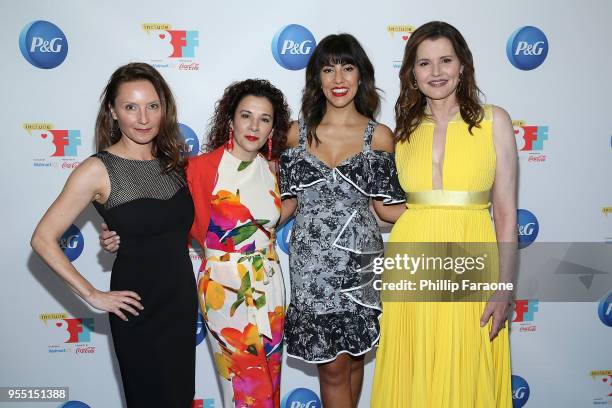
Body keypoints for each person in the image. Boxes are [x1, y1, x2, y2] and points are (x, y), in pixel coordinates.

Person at [102, 79, 292, 408]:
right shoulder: (199, 169)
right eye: (246, 115)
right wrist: (120, 233)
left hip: (271, 287)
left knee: (270, 382)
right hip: (225, 289)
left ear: (273, 128)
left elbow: (268, 219)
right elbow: (162, 214)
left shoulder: (273, 169)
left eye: (264, 119)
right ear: (230, 120)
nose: (254, 126)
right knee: (242, 386)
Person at [30, 62, 197, 407]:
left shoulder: (174, 161)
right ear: (112, 111)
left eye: (153, 106)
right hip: (137, 310)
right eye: (130, 107)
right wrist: (93, 294)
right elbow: (43, 238)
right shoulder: (98, 169)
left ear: (164, 108)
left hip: (180, 303)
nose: (143, 118)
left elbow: (161, 227)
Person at [371, 21, 517, 407]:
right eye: (424, 63)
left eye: (445, 60)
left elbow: (505, 214)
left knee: (468, 370)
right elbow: (391, 210)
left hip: (472, 264)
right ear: (412, 73)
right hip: (411, 263)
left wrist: (504, 288)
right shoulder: (400, 133)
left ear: (462, 66)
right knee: (413, 367)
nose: (436, 72)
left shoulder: (494, 121)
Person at [279, 33, 405, 408]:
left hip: (361, 263)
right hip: (312, 267)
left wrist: (449, 208)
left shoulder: (379, 137)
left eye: (347, 68)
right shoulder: (293, 134)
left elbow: (386, 210)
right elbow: (281, 204)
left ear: (361, 76)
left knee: (352, 358)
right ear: (316, 78)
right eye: (328, 68)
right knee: (332, 367)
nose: (338, 78)